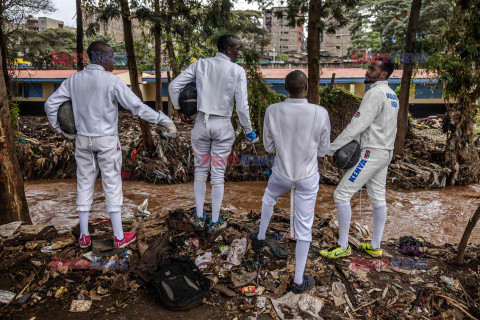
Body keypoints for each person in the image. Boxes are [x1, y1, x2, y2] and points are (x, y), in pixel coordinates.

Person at [44, 41, 176, 249]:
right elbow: (137, 107)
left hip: (82, 140)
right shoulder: (112, 82)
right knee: (112, 184)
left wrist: (62, 130)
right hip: (106, 140)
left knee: (84, 183)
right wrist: (164, 120)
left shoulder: (73, 80)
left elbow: (50, 104)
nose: (114, 61)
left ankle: (84, 237)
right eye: (111, 57)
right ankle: (118, 237)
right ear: (100, 58)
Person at [168, 35, 258, 235]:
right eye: (237, 48)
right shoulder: (237, 71)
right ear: (228, 49)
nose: (238, 52)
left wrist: (179, 109)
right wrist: (248, 130)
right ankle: (215, 221)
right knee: (217, 175)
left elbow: (174, 86)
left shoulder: (201, 64)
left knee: (200, 171)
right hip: (223, 125)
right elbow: (242, 106)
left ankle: (199, 217)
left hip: (201, 122)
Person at [251, 70, 331, 294]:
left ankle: (260, 237)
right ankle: (297, 282)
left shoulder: (272, 110)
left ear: (285, 88)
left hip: (281, 173)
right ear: (307, 87)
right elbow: (324, 150)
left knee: (269, 197)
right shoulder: (320, 112)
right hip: (307, 176)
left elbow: (268, 147)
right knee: (304, 227)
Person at [320, 59, 398, 259]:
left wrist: (331, 149)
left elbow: (356, 126)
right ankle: (375, 245)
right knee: (378, 198)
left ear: (382, 74)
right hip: (385, 152)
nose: (367, 71)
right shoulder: (392, 95)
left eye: (372, 69)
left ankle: (343, 245)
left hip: (371, 153)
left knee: (341, 195)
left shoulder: (374, 94)